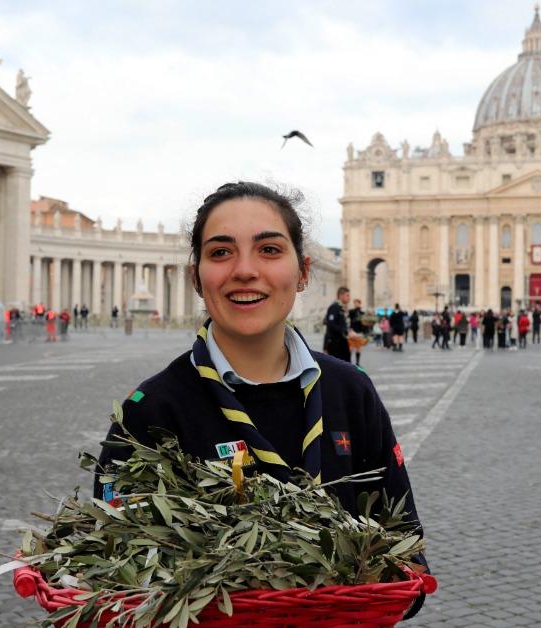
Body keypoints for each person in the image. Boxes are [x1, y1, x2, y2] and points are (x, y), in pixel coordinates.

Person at [94, 182, 426, 616]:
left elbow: (407, 556)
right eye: (220, 252)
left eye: (269, 250)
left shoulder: (351, 391)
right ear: (196, 277)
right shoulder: (149, 410)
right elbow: (112, 581)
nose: (245, 270)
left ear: (303, 271)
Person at [323, 286, 352, 362]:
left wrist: (349, 331)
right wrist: (345, 331)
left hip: (342, 342)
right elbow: (331, 324)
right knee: (339, 366)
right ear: (341, 296)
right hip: (335, 343)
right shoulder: (334, 307)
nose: (349, 298)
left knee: (346, 364)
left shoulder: (342, 308)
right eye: (347, 295)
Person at [347, 298, 366, 366]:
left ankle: (357, 362)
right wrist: (350, 329)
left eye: (357, 303)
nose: (355, 304)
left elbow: (364, 323)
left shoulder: (362, 313)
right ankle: (349, 361)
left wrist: (363, 332)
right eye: (354, 303)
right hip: (352, 331)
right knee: (350, 348)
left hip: (359, 332)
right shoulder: (351, 311)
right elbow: (348, 320)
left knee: (358, 348)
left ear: (359, 303)